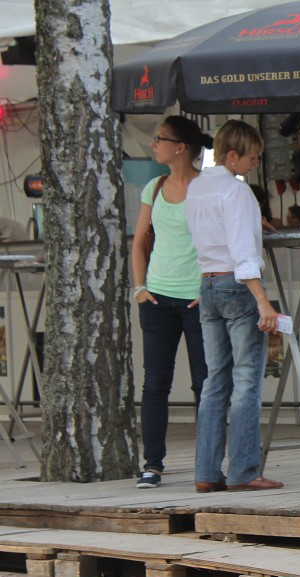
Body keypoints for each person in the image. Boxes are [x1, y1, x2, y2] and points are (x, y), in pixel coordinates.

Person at [184, 120, 282, 493]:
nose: (256, 164)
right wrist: (263, 300)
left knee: (214, 382)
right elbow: (243, 254)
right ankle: (244, 470)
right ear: (233, 155)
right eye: (253, 157)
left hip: (207, 282)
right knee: (246, 382)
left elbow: (209, 234)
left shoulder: (197, 188)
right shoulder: (237, 193)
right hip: (237, 287)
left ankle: (206, 472)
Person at [129, 116, 213, 489]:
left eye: (159, 139)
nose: (153, 144)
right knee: (155, 384)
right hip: (157, 298)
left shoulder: (208, 187)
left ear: (180, 148)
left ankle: (207, 462)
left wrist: (206, 288)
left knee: (204, 383)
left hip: (198, 299)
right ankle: (153, 464)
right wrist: (140, 288)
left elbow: (222, 238)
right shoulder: (155, 186)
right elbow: (139, 242)